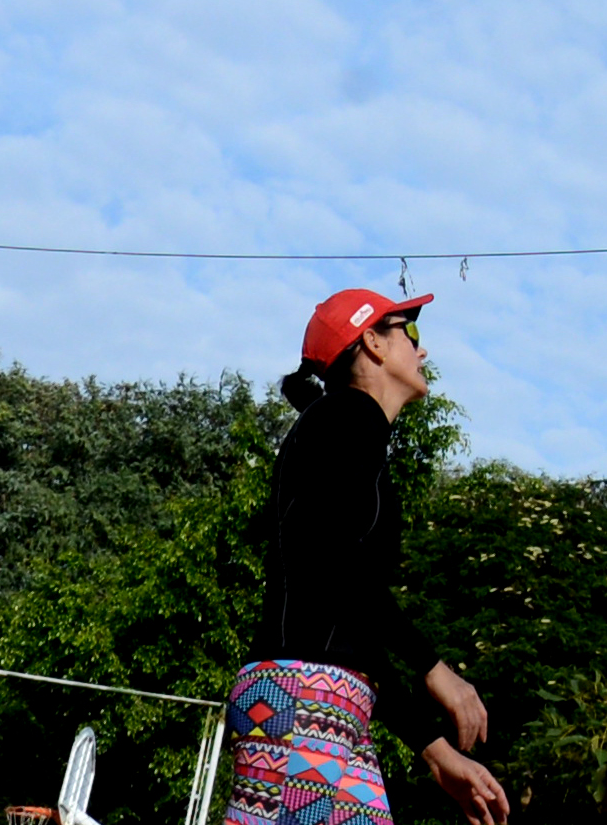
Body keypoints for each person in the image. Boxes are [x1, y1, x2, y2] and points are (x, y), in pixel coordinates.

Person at [223, 288, 511, 825]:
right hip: (303, 700)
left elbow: (349, 623)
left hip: (333, 700)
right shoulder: (344, 419)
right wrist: (434, 670)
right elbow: (340, 574)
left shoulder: (351, 432)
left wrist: (435, 750)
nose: (422, 352)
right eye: (412, 334)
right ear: (372, 343)